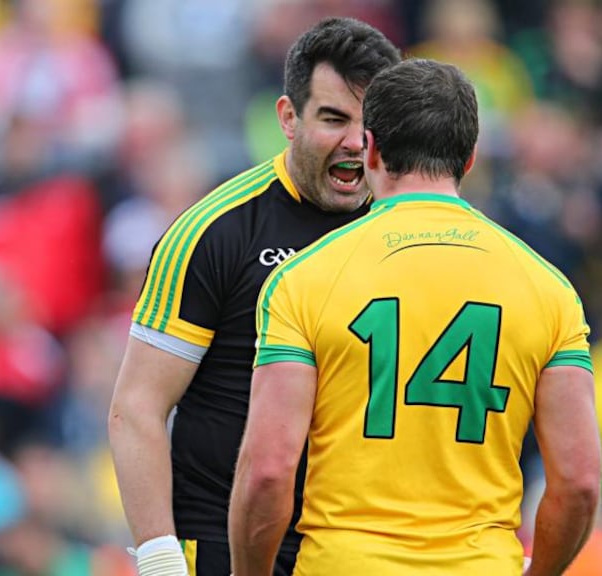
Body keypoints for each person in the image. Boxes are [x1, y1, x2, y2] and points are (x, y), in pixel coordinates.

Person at [230, 59, 602, 576]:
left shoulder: (303, 279)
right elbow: (580, 482)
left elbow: (268, 472)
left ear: (371, 149)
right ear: (469, 159)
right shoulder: (548, 288)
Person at [107, 17, 400, 576]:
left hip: (358, 549)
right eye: (333, 119)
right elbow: (137, 406)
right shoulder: (213, 231)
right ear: (288, 118)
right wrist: (159, 555)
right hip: (222, 543)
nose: (355, 144)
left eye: (371, 125)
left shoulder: (402, 230)